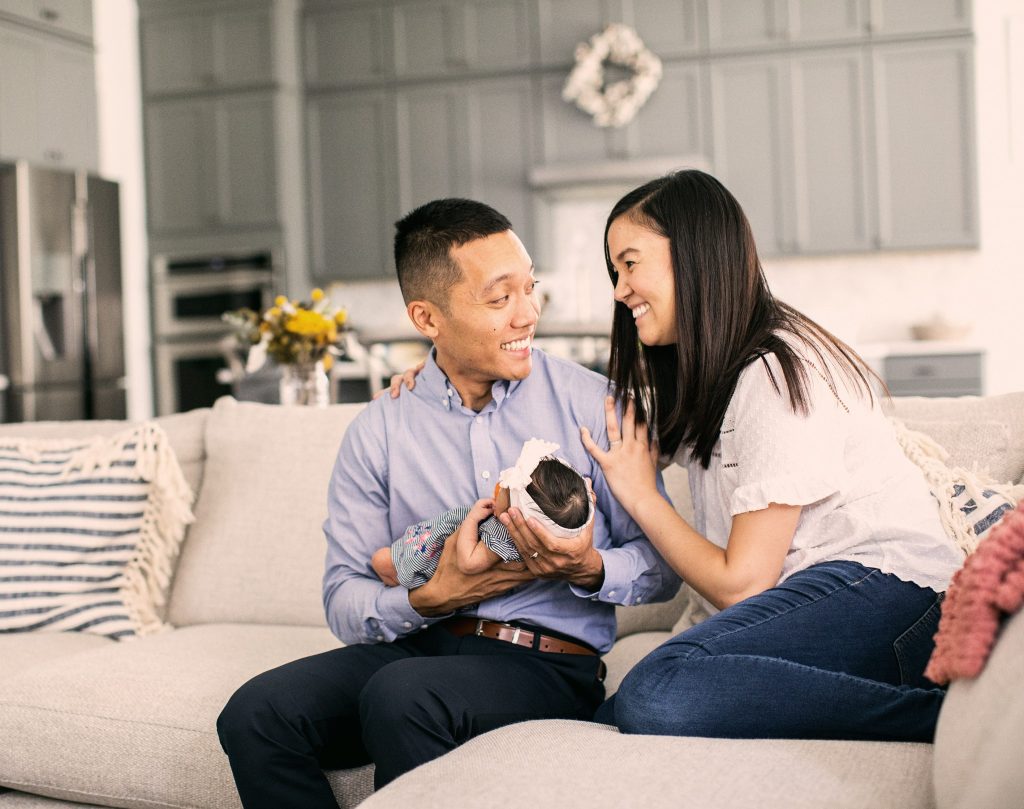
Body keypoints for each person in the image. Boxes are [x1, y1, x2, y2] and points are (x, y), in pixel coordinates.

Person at [215, 198, 679, 808]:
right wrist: (429, 598)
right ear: (426, 317)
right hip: (419, 644)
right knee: (255, 713)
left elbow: (662, 567)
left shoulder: (596, 406)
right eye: (500, 298)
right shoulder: (381, 427)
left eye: (530, 289)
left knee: (402, 696)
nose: (528, 314)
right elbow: (344, 596)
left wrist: (588, 567)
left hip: (543, 663)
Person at [575, 169, 964, 741]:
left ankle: (948, 723)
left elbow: (742, 584)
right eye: (615, 271)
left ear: (693, 255)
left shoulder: (777, 372)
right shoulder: (715, 375)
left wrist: (639, 492)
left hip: (892, 596)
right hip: (840, 597)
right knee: (618, 715)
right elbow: (600, 426)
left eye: (630, 264)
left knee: (659, 692)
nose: (619, 289)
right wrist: (449, 375)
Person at [371, 438, 594, 588]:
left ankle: (399, 581)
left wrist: (473, 518)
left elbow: (468, 563)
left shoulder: (503, 538)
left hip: (428, 562)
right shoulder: (514, 531)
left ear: (516, 513)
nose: (498, 484)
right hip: (425, 544)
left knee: (380, 560)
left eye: (504, 488)